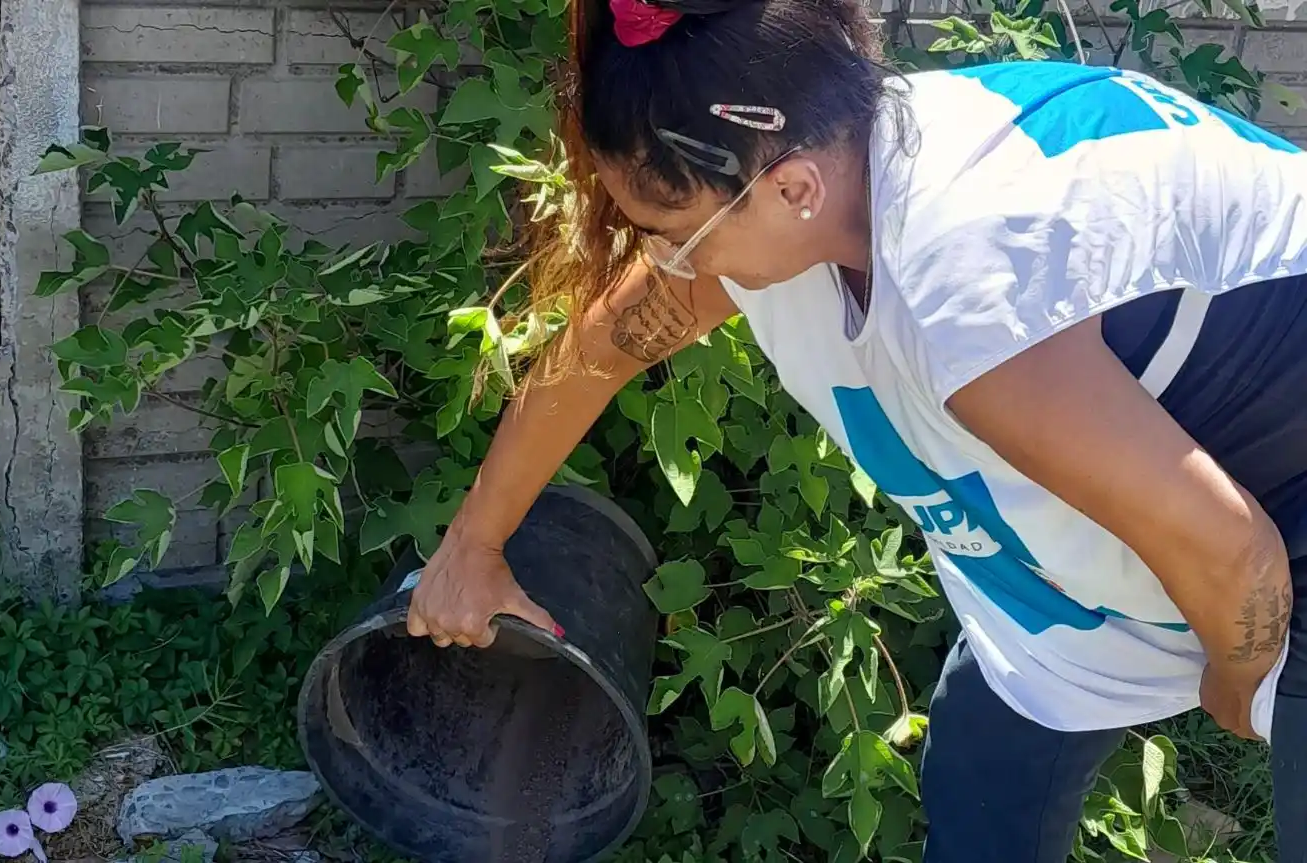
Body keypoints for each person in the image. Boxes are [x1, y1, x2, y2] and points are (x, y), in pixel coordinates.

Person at [403, 0, 1307, 856]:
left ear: (790, 187)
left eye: (672, 232)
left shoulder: (965, 290)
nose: (662, 264)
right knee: (987, 772)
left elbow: (1234, 555)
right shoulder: (816, 172)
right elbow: (600, 351)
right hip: (1186, 500)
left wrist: (1243, 673)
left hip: (1255, 528)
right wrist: (473, 546)